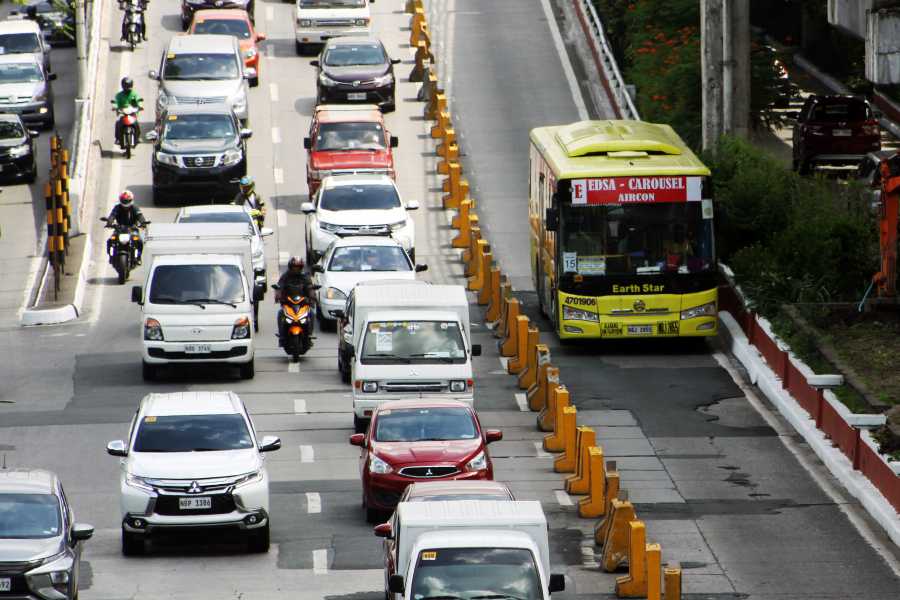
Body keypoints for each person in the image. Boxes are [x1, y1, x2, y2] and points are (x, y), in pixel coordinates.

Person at [106, 190, 147, 263]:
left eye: (127, 201)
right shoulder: (117, 207)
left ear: (131, 200)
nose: (125, 203)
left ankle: (138, 257)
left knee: (140, 241)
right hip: (119, 228)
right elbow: (112, 215)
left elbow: (140, 216)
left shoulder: (134, 207)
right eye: (123, 201)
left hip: (132, 229)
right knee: (110, 241)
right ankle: (110, 256)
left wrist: (143, 223)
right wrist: (109, 222)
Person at [112, 77, 143, 147]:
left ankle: (138, 137)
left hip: (132, 113)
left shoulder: (134, 94)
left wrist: (140, 106)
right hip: (123, 113)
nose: (128, 89)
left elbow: (138, 100)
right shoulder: (119, 95)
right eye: (126, 87)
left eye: (129, 87)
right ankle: (117, 138)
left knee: (136, 124)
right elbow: (115, 102)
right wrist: (115, 107)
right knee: (118, 124)